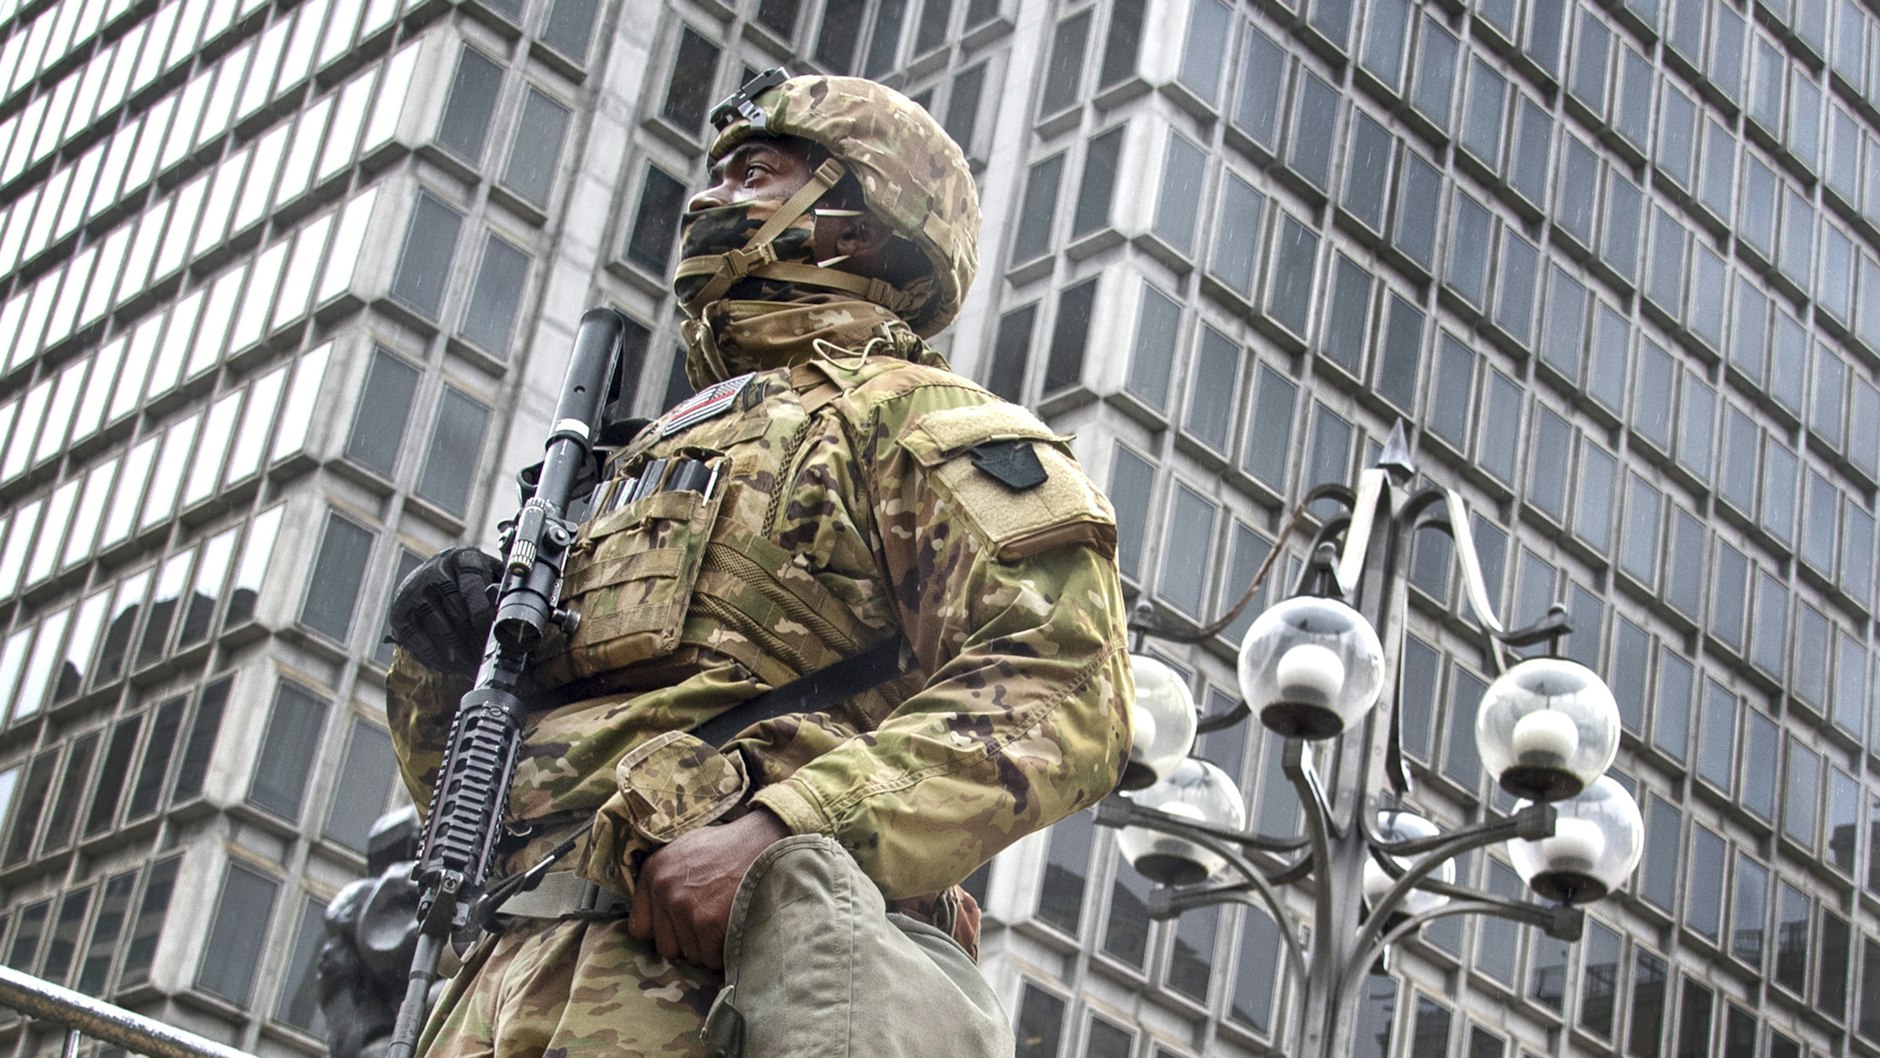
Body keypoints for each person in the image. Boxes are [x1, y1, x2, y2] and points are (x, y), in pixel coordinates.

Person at [384, 70, 1133, 1058]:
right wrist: (438, 673)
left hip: (718, 987)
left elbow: (1066, 687)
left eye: (751, 171)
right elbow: (480, 802)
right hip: (497, 979)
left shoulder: (918, 419)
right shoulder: (631, 460)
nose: (703, 198)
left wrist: (779, 825)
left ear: (854, 224)